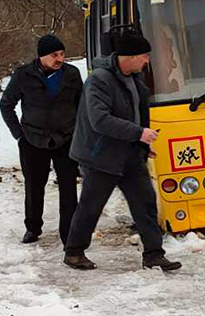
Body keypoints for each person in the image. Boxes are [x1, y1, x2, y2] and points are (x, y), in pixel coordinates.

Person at [64, 30, 182, 272]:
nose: (148, 61)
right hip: (100, 156)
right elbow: (100, 120)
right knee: (91, 205)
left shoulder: (133, 79)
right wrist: (139, 133)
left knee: (145, 203)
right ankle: (74, 252)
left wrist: (142, 144)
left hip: (129, 154)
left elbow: (137, 113)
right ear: (128, 56)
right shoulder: (99, 80)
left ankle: (154, 254)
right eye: (145, 56)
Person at [0, 33, 83, 245]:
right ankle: (33, 227)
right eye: (55, 55)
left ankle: (69, 233)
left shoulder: (71, 74)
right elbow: (6, 104)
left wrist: (79, 133)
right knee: (35, 186)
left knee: (68, 187)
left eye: (62, 54)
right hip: (33, 139)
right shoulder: (24, 75)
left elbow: (81, 105)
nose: (60, 59)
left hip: (66, 139)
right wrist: (19, 135)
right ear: (42, 56)